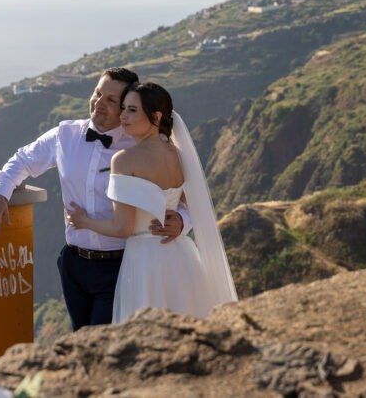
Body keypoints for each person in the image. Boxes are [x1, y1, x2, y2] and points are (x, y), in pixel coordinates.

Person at [0, 67, 191, 330]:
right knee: (81, 338)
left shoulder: (140, 147)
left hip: (121, 266)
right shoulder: (65, 135)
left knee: (98, 342)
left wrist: (182, 221)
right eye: (97, 93)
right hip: (73, 264)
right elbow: (23, 160)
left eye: (111, 101)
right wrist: (0, 194)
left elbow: (182, 195)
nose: (99, 103)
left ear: (126, 106)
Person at [65, 82, 237, 323]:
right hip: (182, 256)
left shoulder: (123, 160)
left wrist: (84, 221)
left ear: (155, 117)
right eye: (123, 108)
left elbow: (122, 228)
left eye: (132, 110)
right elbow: (190, 204)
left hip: (145, 261)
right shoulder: (177, 154)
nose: (123, 116)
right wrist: (180, 221)